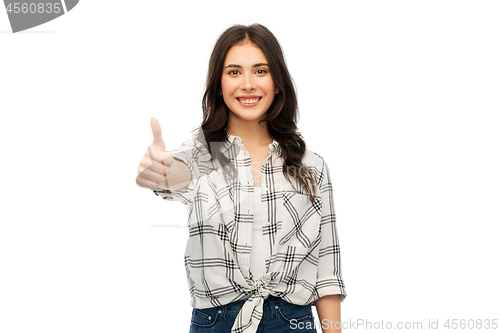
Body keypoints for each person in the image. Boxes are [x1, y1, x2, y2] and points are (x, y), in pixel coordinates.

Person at [136, 23, 347, 333]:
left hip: (291, 321)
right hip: (215, 321)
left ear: (277, 83)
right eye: (234, 72)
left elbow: (327, 272)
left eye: (260, 71)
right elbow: (176, 175)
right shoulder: (204, 153)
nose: (247, 84)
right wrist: (160, 171)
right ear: (219, 84)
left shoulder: (310, 165)